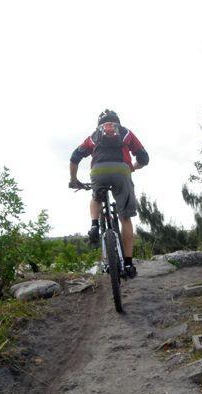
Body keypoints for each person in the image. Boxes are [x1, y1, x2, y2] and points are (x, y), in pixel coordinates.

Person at [69, 109, 149, 278]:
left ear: (100, 124)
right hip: (122, 170)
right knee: (125, 218)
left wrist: (74, 179)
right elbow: (144, 157)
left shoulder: (93, 136)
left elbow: (75, 156)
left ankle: (94, 225)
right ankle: (128, 264)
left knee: (95, 197)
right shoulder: (126, 133)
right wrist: (132, 167)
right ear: (117, 121)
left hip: (99, 171)